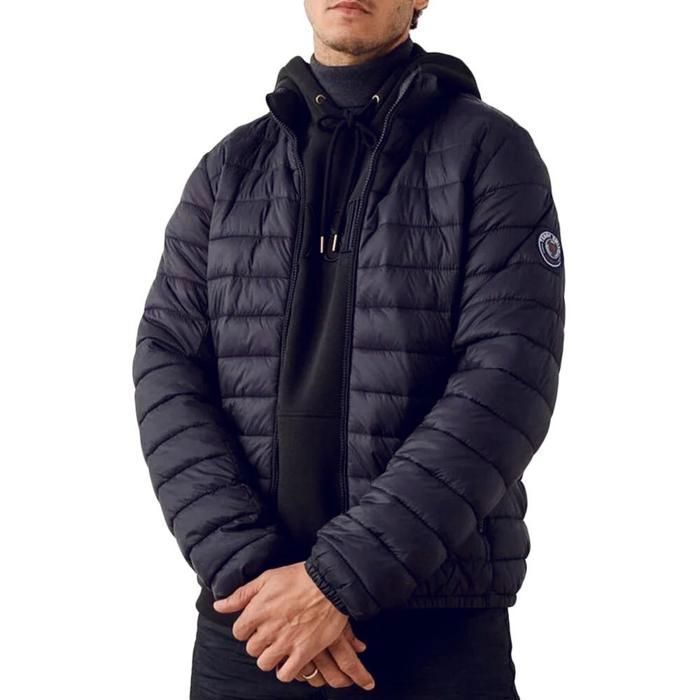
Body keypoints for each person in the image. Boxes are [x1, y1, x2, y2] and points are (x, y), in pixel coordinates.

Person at [132, 1, 566, 697]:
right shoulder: (227, 169)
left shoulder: (490, 153)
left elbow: (507, 382)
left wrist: (337, 580)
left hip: (434, 627)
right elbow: (166, 370)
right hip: (253, 625)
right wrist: (250, 571)